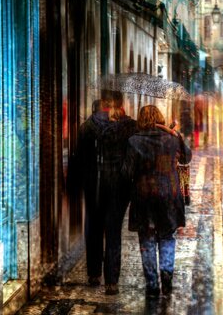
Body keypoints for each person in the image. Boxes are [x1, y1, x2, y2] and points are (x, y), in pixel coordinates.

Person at [121, 105, 191, 298]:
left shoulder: (134, 141)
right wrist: (177, 136)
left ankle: (152, 285)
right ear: (160, 118)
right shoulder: (171, 138)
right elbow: (187, 158)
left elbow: (126, 173)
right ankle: (167, 277)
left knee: (147, 241)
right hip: (169, 196)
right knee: (167, 237)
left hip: (144, 198)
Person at [97, 97, 138, 295]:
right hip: (123, 185)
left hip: (105, 183)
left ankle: (110, 280)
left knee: (110, 231)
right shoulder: (131, 127)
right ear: (123, 108)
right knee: (114, 229)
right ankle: (112, 279)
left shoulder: (104, 129)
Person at [72, 99, 110, 287]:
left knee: (92, 226)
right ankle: (109, 272)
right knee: (108, 228)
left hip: (90, 184)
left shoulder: (85, 127)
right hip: (108, 184)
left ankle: (94, 272)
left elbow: (78, 158)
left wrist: (77, 185)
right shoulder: (112, 128)